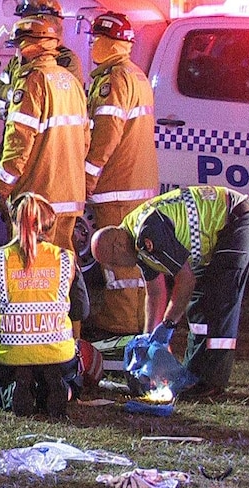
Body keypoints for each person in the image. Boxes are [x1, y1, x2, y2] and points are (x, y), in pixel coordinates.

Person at [90, 185, 249, 399]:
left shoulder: (146, 233)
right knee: (197, 307)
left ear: (117, 245)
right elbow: (154, 293)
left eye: (112, 262)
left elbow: (185, 280)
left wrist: (169, 324)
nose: (117, 267)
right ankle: (194, 373)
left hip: (237, 218)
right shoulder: (133, 237)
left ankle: (213, 381)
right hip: (215, 232)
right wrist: (148, 337)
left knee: (221, 297)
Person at [84, 12, 159, 338]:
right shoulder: (136, 75)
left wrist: (87, 175)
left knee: (117, 260)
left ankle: (120, 321)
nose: (91, 46)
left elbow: (106, 133)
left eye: (94, 39)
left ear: (105, 42)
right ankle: (139, 318)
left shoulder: (113, 80)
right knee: (139, 256)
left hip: (117, 187)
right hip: (139, 184)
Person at [0, 192, 89, 417]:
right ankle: (65, 389)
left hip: (10, 354)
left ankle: (12, 390)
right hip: (58, 354)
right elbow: (82, 309)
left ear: (14, 223)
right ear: (50, 227)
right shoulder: (66, 259)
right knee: (76, 377)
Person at [0, 16, 89, 253]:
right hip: (70, 196)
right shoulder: (70, 81)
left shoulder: (31, 80)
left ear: (28, 46)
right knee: (63, 268)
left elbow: (18, 142)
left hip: (38, 200)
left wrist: (0, 187)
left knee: (34, 273)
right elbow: (85, 140)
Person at [0, 0, 84, 122]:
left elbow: (59, 106)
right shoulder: (16, 61)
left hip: (45, 138)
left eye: (28, 20)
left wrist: (13, 100)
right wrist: (14, 107)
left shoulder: (66, 61)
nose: (22, 24)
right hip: (14, 133)